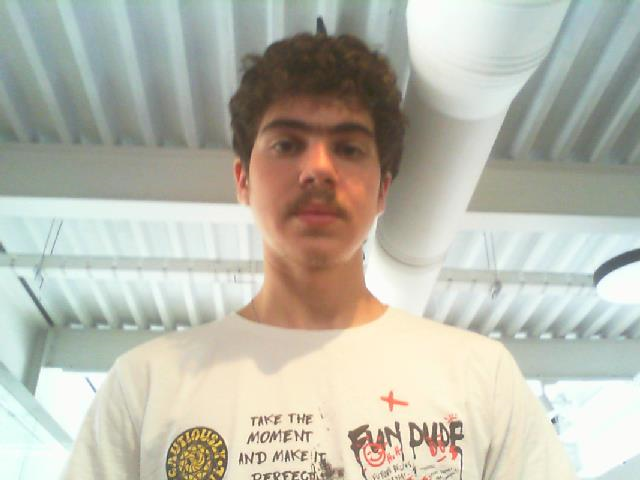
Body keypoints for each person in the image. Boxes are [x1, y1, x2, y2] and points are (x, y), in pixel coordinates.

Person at [62, 31, 576, 480]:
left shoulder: (480, 379)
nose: (319, 169)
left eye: (349, 148)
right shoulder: (147, 386)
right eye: (287, 145)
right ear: (243, 179)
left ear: (382, 190)